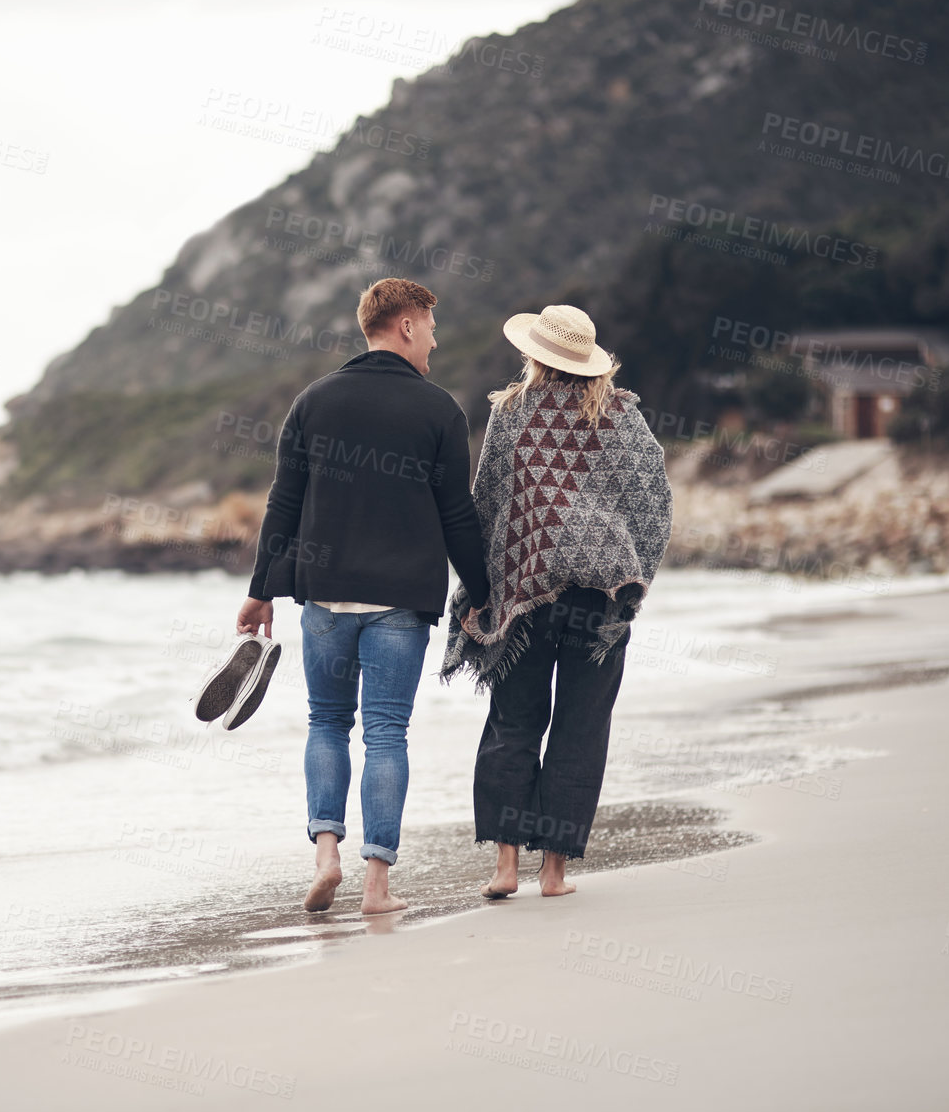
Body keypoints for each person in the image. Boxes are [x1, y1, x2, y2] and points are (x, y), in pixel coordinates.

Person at [236, 278, 490, 915]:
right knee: (385, 733)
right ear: (405, 326)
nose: (435, 339)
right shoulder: (439, 411)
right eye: (431, 326)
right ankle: (377, 886)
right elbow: (457, 515)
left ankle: (326, 853)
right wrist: (483, 590)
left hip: (325, 597)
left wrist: (262, 589)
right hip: (401, 602)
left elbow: (283, 504)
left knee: (327, 723)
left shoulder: (313, 402)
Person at [440, 304, 673, 898]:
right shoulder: (623, 418)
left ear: (536, 355)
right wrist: (634, 579)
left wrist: (478, 590)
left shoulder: (512, 413)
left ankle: (505, 866)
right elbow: (654, 506)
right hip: (598, 603)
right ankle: (555, 873)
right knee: (581, 725)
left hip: (523, 597)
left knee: (513, 721)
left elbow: (487, 504)